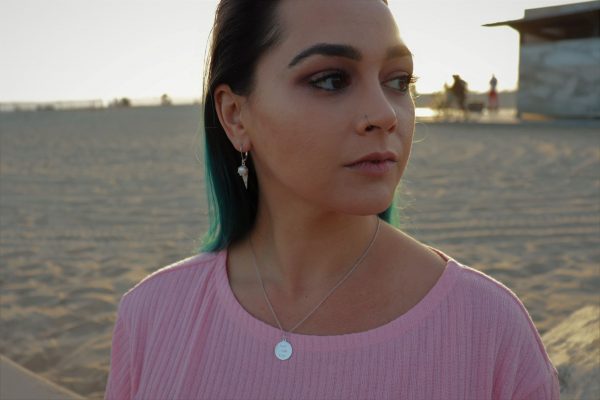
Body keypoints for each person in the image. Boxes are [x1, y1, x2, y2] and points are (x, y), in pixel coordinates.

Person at [104, 1, 559, 399]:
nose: (384, 113)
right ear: (235, 115)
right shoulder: (153, 315)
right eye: (330, 80)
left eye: (398, 81)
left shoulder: (489, 330)